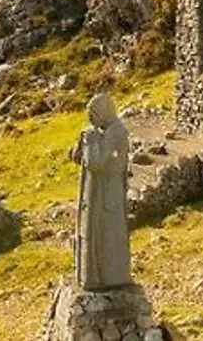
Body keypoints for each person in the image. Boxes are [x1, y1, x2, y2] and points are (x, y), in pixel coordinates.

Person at [70, 93, 132, 290]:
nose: (91, 121)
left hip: (108, 192)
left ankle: (107, 277)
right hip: (98, 190)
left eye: (93, 115)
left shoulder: (116, 131)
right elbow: (78, 158)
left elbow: (97, 163)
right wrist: (82, 144)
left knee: (106, 235)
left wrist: (91, 141)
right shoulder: (102, 131)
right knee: (96, 234)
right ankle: (92, 276)